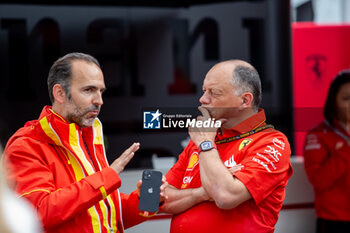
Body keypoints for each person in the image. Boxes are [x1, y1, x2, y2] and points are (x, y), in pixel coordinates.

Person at [2, 52, 165, 233]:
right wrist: (107, 177)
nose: (99, 101)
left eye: (101, 91)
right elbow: (38, 215)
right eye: (89, 90)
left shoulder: (88, 135)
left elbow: (105, 216)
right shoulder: (26, 144)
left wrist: (144, 200)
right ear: (60, 93)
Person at [160, 59, 293, 233]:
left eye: (214, 93)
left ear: (245, 100)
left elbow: (225, 196)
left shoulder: (272, 142)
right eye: (204, 91)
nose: (203, 99)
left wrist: (206, 144)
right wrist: (202, 193)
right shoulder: (203, 138)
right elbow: (162, 200)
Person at [303, 70, 350, 233]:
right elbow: (320, 181)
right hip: (334, 221)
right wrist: (346, 148)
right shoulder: (318, 134)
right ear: (333, 102)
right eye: (346, 98)